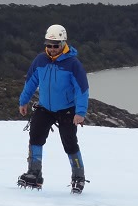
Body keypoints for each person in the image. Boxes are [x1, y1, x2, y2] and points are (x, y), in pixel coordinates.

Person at [17, 24, 90, 194]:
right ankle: (34, 173)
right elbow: (31, 82)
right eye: (49, 44)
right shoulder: (40, 60)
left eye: (55, 45)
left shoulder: (73, 64)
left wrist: (80, 113)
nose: (51, 48)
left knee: (69, 142)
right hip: (45, 108)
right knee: (35, 135)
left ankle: (78, 177)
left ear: (64, 43)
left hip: (67, 110)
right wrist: (23, 101)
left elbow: (82, 89)